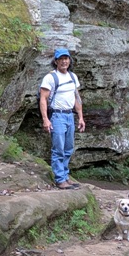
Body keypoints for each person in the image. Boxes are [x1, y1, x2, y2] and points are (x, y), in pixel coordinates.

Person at [39, 48, 86, 190]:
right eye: (61, 59)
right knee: (58, 149)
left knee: (68, 148)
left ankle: (65, 176)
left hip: (69, 115)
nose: (64, 61)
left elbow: (76, 98)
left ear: (70, 60)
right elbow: (43, 99)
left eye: (66, 58)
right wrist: (46, 119)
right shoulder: (50, 77)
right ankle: (60, 180)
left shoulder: (73, 77)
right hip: (57, 116)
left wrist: (81, 117)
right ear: (56, 61)